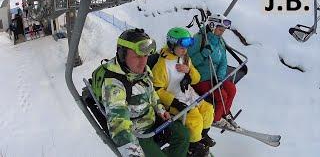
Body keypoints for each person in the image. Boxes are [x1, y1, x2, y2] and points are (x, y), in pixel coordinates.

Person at [101, 28, 190, 157]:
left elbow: (151, 91)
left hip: (153, 119)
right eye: (137, 56)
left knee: (183, 135)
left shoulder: (143, 70)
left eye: (146, 56)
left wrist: (160, 109)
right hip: (138, 133)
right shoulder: (115, 85)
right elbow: (119, 125)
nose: (143, 62)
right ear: (122, 54)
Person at [152, 27, 214, 156]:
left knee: (208, 109)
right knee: (195, 120)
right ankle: (192, 147)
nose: (185, 50)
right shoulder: (162, 64)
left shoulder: (185, 58)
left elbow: (196, 80)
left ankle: (201, 137)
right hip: (175, 100)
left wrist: (188, 71)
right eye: (181, 47)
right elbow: (157, 89)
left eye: (186, 47)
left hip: (188, 94)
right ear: (172, 45)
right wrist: (174, 102)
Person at [188, 14, 238, 129]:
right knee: (222, 95)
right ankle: (215, 119)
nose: (222, 32)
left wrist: (219, 79)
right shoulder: (199, 39)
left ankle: (225, 113)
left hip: (214, 77)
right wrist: (203, 54)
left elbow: (223, 62)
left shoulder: (220, 42)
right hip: (200, 78)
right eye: (220, 29)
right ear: (212, 26)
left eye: (223, 30)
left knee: (231, 89)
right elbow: (188, 61)